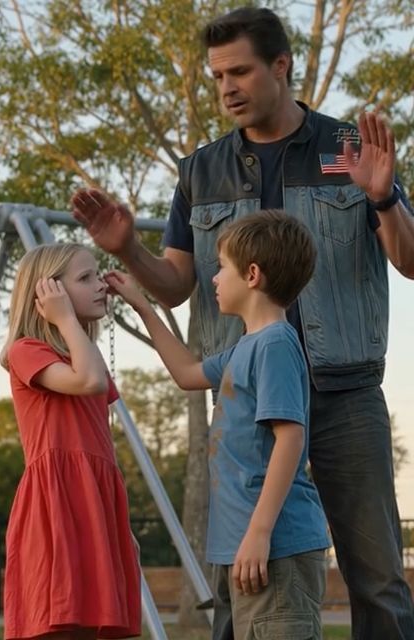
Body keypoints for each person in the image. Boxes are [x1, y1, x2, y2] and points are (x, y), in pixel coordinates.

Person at [71, 7, 414, 640]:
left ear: (281, 66)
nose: (226, 88)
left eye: (240, 72)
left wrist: (384, 197)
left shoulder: (346, 149)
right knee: (242, 576)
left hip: (345, 395)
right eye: (217, 76)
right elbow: (177, 285)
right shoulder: (200, 171)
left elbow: (410, 261)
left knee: (379, 581)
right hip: (246, 400)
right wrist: (128, 250)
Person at [106, 210, 330, 640]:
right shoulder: (245, 347)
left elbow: (290, 438)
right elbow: (187, 373)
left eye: (222, 267)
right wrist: (142, 305)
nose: (213, 278)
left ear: (252, 275)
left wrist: (260, 533)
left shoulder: (276, 345)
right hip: (238, 550)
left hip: (275, 548)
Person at [0, 243, 141, 640]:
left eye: (97, 276)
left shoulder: (84, 354)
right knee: (59, 619)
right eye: (85, 278)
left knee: (92, 624)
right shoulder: (26, 351)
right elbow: (89, 382)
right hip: (56, 505)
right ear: (49, 292)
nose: (101, 285)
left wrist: (119, 526)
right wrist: (64, 319)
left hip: (93, 502)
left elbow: (101, 440)